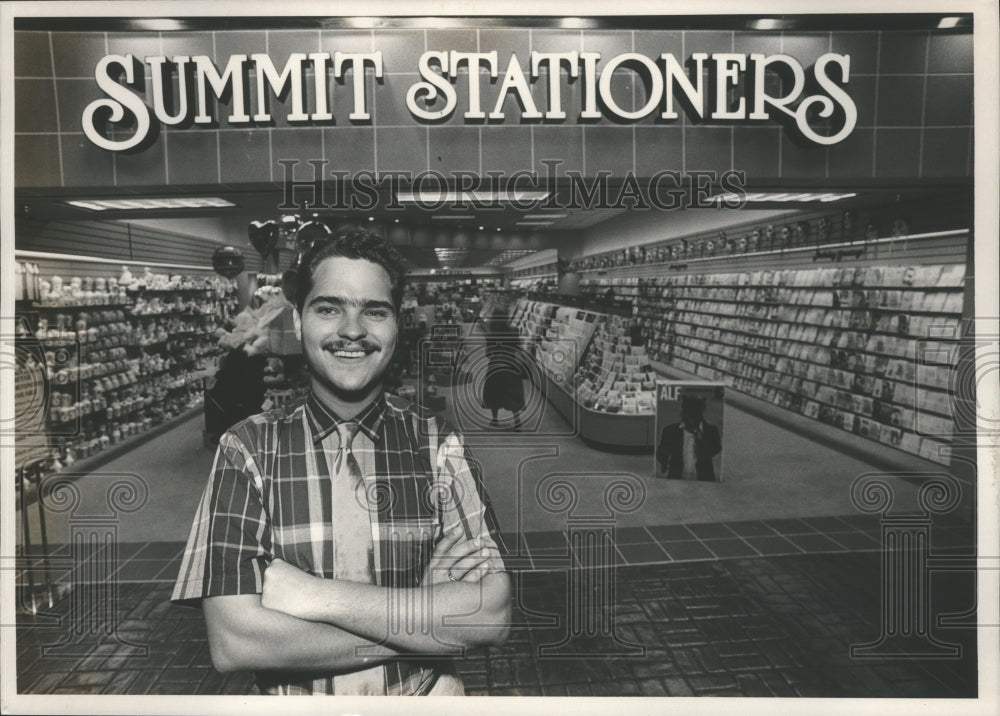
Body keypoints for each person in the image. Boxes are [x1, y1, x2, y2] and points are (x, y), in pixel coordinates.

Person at [172, 227, 510, 695]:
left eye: (374, 310)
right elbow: (235, 642)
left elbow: (489, 615)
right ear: (297, 322)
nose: (352, 330)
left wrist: (312, 596)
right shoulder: (246, 449)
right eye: (329, 308)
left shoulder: (439, 444)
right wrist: (424, 618)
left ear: (397, 325)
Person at [655, 394, 722, 481]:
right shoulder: (670, 431)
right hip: (676, 482)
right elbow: (660, 454)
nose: (692, 416)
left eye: (696, 412)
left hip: (705, 482)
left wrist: (701, 439)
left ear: (701, 413)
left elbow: (716, 452)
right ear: (683, 412)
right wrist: (665, 461)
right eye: (689, 411)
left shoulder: (711, 431)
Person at [480, 307, 526, 429]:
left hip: (495, 366)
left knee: (494, 392)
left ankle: (495, 419)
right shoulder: (514, 331)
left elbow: (488, 354)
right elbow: (518, 349)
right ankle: (517, 420)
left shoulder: (491, 334)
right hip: (511, 365)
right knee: (512, 392)